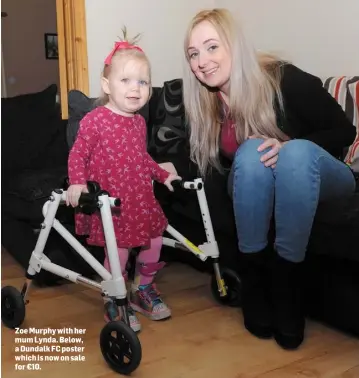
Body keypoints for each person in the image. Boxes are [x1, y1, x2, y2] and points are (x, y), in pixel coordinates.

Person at [182, 8, 356, 349]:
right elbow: (204, 164)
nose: (202, 61)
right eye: (193, 53)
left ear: (234, 45)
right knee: (250, 152)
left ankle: (288, 285)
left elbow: (344, 130)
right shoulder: (206, 103)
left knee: (294, 153)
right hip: (259, 179)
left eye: (212, 47)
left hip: (321, 176)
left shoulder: (281, 77)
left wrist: (292, 143)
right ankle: (256, 280)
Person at [66, 32, 181, 333]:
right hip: (112, 204)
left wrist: (163, 174)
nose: (136, 89)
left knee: (154, 242)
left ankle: (143, 288)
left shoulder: (139, 122)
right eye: (126, 80)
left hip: (141, 199)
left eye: (143, 82)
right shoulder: (95, 120)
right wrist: (77, 183)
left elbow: (142, 158)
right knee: (118, 254)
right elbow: (78, 153)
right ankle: (114, 297)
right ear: (107, 85)